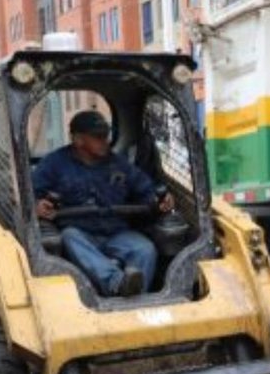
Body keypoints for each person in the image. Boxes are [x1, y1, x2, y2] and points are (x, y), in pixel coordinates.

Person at [32, 110, 173, 297]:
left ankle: (135, 299)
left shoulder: (119, 164)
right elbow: (29, 194)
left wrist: (160, 201)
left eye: (106, 135)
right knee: (69, 237)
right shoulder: (54, 164)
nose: (105, 141)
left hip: (116, 232)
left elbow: (146, 190)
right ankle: (117, 284)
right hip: (80, 233)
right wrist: (37, 207)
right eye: (98, 137)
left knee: (144, 249)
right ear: (78, 140)